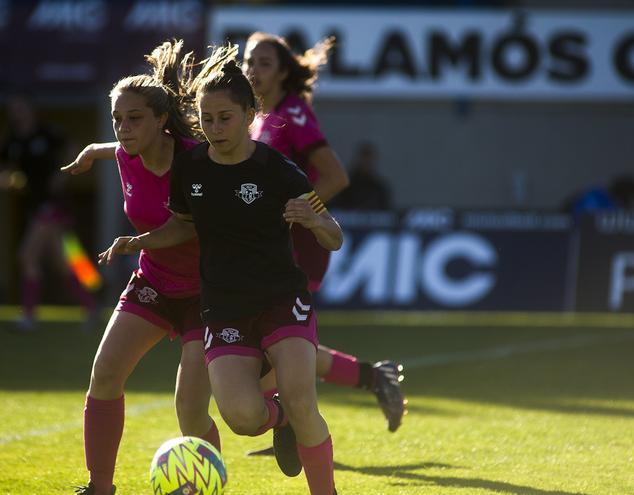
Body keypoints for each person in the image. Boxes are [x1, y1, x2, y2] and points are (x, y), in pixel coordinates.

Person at [100, 48, 342, 495]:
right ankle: (280, 419)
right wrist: (140, 242)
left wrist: (314, 220)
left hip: (279, 300)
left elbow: (334, 235)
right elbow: (181, 226)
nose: (214, 128)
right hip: (224, 308)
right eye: (207, 119)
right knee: (243, 419)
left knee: (303, 400)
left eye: (225, 118)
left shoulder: (277, 170)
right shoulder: (191, 167)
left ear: (250, 114)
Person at [61, 40, 222, 495]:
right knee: (106, 371)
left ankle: (206, 485)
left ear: (161, 121)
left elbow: (186, 228)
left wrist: (135, 242)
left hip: (207, 292)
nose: (124, 129)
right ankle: (100, 486)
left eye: (134, 119)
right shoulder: (125, 153)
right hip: (154, 281)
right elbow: (106, 147)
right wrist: (89, 153)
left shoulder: (197, 160)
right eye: (118, 120)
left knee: (190, 410)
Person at [243, 32, 404, 433]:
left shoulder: (293, 112)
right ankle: (371, 378)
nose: (253, 70)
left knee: (276, 342)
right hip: (268, 249)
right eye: (249, 61)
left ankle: (289, 426)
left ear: (283, 72)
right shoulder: (256, 117)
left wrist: (303, 212)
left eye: (264, 63)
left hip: (300, 247)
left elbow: (335, 176)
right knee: (278, 341)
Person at [0, 92, 98, 330]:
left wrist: (62, 175)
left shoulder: (47, 132)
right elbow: (2, 171)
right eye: (13, 109)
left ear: (31, 110)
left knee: (28, 256)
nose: (16, 113)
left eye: (20, 107)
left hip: (52, 204)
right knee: (65, 262)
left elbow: (74, 149)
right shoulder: (11, 140)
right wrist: (6, 181)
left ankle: (29, 316)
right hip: (35, 206)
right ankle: (92, 308)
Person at [329, 140, 391, 210]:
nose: (366, 162)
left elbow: (386, 212)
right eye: (364, 158)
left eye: (369, 159)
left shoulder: (379, 188)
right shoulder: (346, 185)